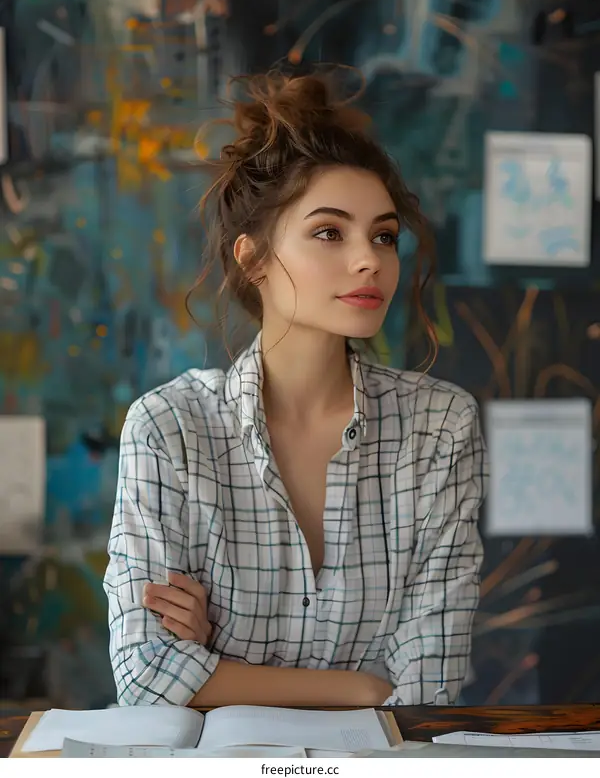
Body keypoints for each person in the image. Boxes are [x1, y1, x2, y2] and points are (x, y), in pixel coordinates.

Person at [103, 71, 487, 709]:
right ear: (253, 258)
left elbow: (429, 685)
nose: (369, 259)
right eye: (330, 232)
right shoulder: (170, 428)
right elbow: (145, 677)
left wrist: (213, 669)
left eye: (384, 236)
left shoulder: (440, 427)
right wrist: (364, 687)